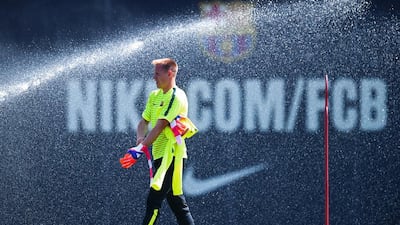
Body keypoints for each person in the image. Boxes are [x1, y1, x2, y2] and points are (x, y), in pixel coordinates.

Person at [120, 58, 196, 225]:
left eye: (157, 74)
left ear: (170, 73)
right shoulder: (154, 95)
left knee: (153, 202)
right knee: (177, 204)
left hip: (172, 157)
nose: (154, 78)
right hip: (160, 156)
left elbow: (160, 126)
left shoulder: (177, 96)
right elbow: (144, 122)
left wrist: (140, 148)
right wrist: (140, 139)